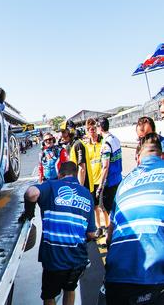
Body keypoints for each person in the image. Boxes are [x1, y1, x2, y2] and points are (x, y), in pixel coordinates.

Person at [20, 161, 96, 305]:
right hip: (78, 259)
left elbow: (31, 194)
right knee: (70, 288)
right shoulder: (87, 194)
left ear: (60, 174)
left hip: (55, 259)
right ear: (75, 176)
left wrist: (29, 215)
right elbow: (91, 234)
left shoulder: (52, 185)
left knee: (49, 295)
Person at [104, 133, 164, 304]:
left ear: (138, 159)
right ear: (162, 156)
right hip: (153, 275)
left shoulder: (125, 183)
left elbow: (109, 236)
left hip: (116, 276)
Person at [71, 118, 105, 234]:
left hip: (103, 179)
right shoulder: (85, 145)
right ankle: (99, 227)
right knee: (95, 207)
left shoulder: (103, 142)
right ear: (87, 131)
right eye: (90, 129)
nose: (92, 131)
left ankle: (109, 227)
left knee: (104, 207)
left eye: (94, 128)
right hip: (92, 181)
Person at [96, 117, 122, 220]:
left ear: (100, 128)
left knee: (109, 210)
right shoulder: (116, 139)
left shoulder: (106, 144)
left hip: (110, 182)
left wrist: (100, 186)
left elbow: (105, 166)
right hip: (119, 179)